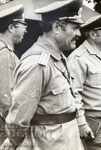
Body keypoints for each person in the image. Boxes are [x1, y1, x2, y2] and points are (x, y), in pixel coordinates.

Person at [0, 0, 84, 150]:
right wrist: (13, 141)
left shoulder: (58, 57)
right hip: (47, 142)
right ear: (57, 27)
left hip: (64, 139)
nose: (79, 33)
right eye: (75, 27)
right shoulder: (37, 63)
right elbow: (19, 116)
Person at [68, 12, 101, 150]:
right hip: (93, 120)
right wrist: (82, 123)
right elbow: (73, 95)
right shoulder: (79, 58)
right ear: (93, 35)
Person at [0, 4, 27, 145]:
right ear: (11, 28)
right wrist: (15, 131)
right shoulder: (4, 55)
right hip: (3, 126)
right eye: (23, 25)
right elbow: (6, 99)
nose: (26, 30)